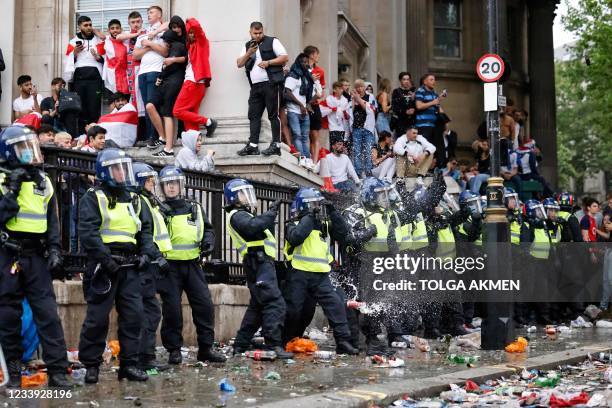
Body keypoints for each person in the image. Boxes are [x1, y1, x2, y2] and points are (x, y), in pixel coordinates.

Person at [0, 126, 72, 388]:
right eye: (23, 148)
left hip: (36, 255)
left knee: (48, 314)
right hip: (8, 254)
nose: (30, 154)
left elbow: (52, 221)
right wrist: (12, 191)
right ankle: (13, 372)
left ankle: (58, 373)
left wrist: (55, 249)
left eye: (32, 147)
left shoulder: (44, 181)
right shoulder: (1, 178)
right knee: (8, 316)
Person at [78, 148, 156, 383]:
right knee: (97, 317)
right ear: (105, 171)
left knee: (134, 316)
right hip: (105, 266)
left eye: (124, 168)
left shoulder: (134, 198)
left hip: (130, 266)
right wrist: (106, 260)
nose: (122, 173)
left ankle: (129, 365)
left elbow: (145, 230)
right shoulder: (94, 196)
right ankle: (91, 365)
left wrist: (145, 254)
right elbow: (88, 232)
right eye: (117, 169)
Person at [156, 166, 226, 364]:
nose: (171, 187)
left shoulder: (194, 207)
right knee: (172, 311)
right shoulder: (160, 209)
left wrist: (209, 242)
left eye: (174, 183)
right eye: (167, 184)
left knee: (204, 306)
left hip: (193, 265)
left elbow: (208, 229)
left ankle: (206, 348)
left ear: (180, 185)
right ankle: (174, 351)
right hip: (169, 267)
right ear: (162, 187)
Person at [282, 188, 359, 355]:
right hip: (298, 273)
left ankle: (343, 342)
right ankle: (286, 341)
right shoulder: (293, 224)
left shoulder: (324, 225)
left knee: (336, 305)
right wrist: (310, 216)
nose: (317, 208)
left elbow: (344, 233)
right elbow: (297, 237)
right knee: (295, 310)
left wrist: (333, 212)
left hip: (321, 275)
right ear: (303, 207)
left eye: (318, 205)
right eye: (312, 205)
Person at [223, 179, 293, 359]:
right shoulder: (237, 214)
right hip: (257, 261)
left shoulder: (243, 213)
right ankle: (273, 344)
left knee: (257, 306)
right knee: (274, 302)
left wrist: (269, 217)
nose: (246, 197)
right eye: (242, 193)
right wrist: (270, 213)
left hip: (260, 262)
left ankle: (240, 344)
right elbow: (252, 228)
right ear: (233, 197)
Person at [131, 163, 172, 371]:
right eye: (148, 180)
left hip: (153, 263)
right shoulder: (139, 201)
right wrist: (155, 255)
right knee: (148, 311)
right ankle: (143, 358)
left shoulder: (148, 201)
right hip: (145, 262)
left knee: (151, 310)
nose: (152, 184)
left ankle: (145, 356)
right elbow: (144, 235)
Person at [236, 21, 289, 156]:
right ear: (250, 32)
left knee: (273, 115)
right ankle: (253, 145)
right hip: (255, 86)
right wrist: (249, 53)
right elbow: (239, 63)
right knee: (253, 115)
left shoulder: (272, 41)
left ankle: (276, 145)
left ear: (263, 31)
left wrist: (269, 62)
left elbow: (284, 57)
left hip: (271, 83)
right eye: (255, 33)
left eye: (260, 33)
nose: (258, 36)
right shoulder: (248, 46)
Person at [146, 16, 187, 157]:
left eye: (165, 41)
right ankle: (163, 138)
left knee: (167, 113)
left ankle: (168, 149)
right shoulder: (175, 47)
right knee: (150, 105)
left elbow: (172, 65)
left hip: (173, 81)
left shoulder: (177, 46)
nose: (164, 44)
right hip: (167, 81)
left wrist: (161, 76)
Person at [172, 18, 218, 140]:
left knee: (177, 111)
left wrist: (189, 20)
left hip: (193, 82)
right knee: (190, 114)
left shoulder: (202, 43)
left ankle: (208, 122)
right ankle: (194, 141)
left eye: (193, 32)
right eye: (189, 32)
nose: (191, 34)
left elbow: (197, 28)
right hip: (197, 84)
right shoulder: (190, 46)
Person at [134, 6, 169, 149]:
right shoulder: (143, 34)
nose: (148, 15)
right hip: (142, 73)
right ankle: (150, 136)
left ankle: (157, 137)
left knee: (152, 104)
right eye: (148, 13)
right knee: (146, 105)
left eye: (151, 12)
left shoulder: (164, 31)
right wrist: (149, 46)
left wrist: (150, 43)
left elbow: (165, 52)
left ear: (159, 16)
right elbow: (135, 55)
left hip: (155, 71)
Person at [63, 16, 105, 135]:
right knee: (80, 109)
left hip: (95, 78)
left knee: (94, 108)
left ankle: (95, 136)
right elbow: (67, 60)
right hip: (79, 79)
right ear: (80, 26)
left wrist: (98, 57)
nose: (88, 27)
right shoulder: (73, 41)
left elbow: (106, 58)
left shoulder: (98, 41)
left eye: (90, 25)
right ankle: (82, 136)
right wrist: (75, 53)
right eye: (85, 25)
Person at [284, 53, 315, 167]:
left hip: (304, 111)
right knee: (297, 135)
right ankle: (302, 157)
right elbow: (287, 91)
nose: (305, 64)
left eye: (306, 62)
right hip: (293, 110)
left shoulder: (306, 77)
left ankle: (308, 159)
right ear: (298, 62)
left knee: (305, 137)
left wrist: (307, 104)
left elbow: (312, 94)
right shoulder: (293, 75)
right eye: (303, 62)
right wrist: (300, 105)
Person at [350, 79, 377, 178]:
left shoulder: (370, 97)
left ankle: (368, 171)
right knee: (357, 151)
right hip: (356, 128)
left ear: (364, 87)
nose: (359, 88)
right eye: (357, 87)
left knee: (368, 150)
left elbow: (372, 109)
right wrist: (353, 99)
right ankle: (358, 172)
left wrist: (359, 100)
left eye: (361, 86)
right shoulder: (353, 97)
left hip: (368, 128)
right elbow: (349, 112)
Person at [304, 45, 325, 164]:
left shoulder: (320, 71)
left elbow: (321, 91)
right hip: (303, 105)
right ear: (312, 55)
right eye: (317, 54)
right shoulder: (301, 69)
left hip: (315, 105)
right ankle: (308, 159)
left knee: (315, 134)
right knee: (306, 135)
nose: (318, 57)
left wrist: (316, 96)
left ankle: (315, 161)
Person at [415, 74, 443, 146]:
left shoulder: (434, 93)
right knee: (424, 148)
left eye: (434, 80)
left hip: (433, 126)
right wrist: (432, 102)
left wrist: (445, 118)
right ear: (425, 81)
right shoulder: (420, 91)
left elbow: (438, 107)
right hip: (423, 126)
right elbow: (419, 106)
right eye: (431, 80)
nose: (434, 82)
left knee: (433, 149)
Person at [102, 19, 129, 95]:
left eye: (117, 28)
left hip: (126, 77)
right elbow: (101, 35)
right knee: (113, 104)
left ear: (121, 29)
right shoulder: (106, 40)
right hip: (112, 77)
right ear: (109, 30)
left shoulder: (127, 40)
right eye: (112, 28)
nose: (115, 30)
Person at [390, 72, 416, 138]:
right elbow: (394, 107)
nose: (406, 81)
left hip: (412, 122)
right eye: (404, 79)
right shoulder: (396, 91)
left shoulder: (413, 92)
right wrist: (405, 111)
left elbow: (418, 106)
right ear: (400, 80)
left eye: (408, 79)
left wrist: (414, 100)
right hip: (400, 123)